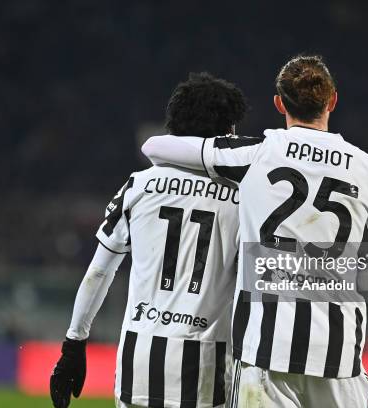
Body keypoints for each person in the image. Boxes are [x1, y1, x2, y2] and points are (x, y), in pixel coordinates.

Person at [141, 55, 368, 407]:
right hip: (338, 354)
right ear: (332, 100)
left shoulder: (257, 154)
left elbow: (155, 146)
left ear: (279, 103)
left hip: (265, 351)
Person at [50, 72, 247, 408]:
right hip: (205, 370)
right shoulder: (242, 197)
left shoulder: (139, 185)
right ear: (226, 133)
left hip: (137, 365)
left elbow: (99, 271)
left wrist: (74, 343)